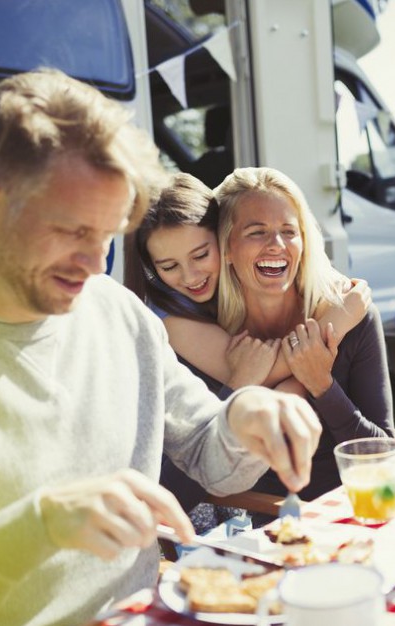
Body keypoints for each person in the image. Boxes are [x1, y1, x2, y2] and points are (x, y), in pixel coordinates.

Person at [0, 69, 320, 626]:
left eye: (107, 234)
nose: (94, 263)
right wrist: (39, 526)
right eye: (71, 231)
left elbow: (214, 457)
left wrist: (245, 414)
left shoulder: (121, 315)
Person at [126, 173, 372, 517]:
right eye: (169, 266)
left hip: (335, 508)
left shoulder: (337, 304)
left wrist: (314, 380)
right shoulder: (175, 323)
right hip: (229, 515)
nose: (191, 276)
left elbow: (381, 448)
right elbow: (270, 368)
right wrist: (335, 325)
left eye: (200, 255)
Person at [215, 167, 394, 500]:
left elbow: (381, 452)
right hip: (260, 523)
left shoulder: (354, 317)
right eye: (257, 232)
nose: (277, 245)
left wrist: (322, 386)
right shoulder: (213, 334)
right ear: (226, 248)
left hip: (351, 513)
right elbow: (205, 453)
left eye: (288, 230)